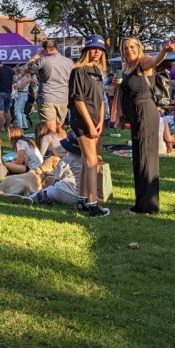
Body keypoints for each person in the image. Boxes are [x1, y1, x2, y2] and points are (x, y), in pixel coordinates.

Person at [120, 36, 175, 215]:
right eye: (125, 48)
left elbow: (156, 60)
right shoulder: (129, 68)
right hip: (136, 115)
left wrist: (165, 50)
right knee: (140, 157)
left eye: (132, 46)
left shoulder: (143, 62)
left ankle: (146, 206)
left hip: (145, 112)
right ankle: (142, 203)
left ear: (138, 47)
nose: (129, 50)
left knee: (146, 157)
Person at [69, 35, 109, 216]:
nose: (97, 53)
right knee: (92, 161)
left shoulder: (98, 71)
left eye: (100, 50)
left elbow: (101, 100)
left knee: (88, 160)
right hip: (82, 120)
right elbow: (78, 99)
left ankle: (83, 199)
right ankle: (93, 204)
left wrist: (100, 121)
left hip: (96, 120)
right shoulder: (78, 70)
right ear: (86, 50)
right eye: (94, 49)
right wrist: (89, 125)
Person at [26, 39, 75, 137]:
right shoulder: (69, 62)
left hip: (47, 97)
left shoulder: (43, 60)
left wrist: (35, 57)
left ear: (46, 50)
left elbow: (26, 68)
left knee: (50, 130)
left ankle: (53, 151)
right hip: (63, 98)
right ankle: (64, 150)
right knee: (60, 127)